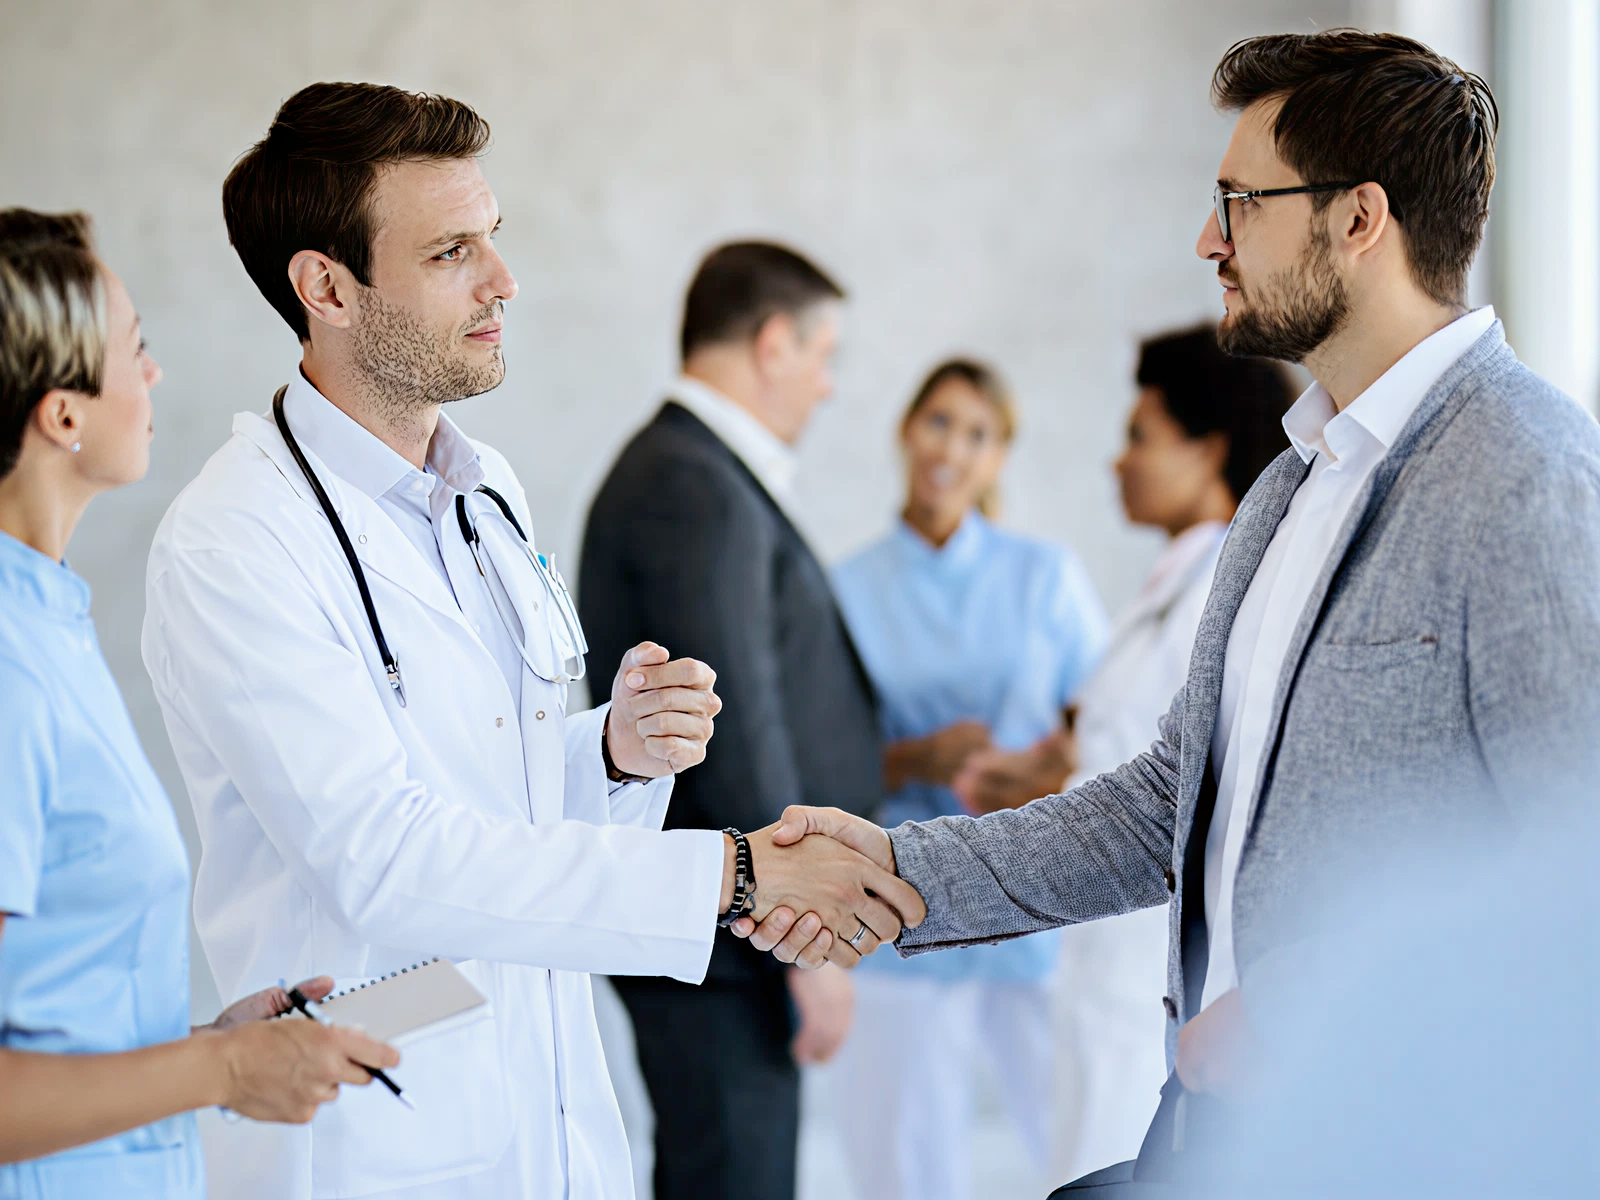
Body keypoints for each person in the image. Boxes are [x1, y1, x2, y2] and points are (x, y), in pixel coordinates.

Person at [743, 29, 1600, 1194]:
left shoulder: (1526, 472)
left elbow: (1572, 863)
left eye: (1240, 203)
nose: (1210, 240)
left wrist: (1295, 1005)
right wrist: (898, 869)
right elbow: (1170, 800)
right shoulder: (1288, 490)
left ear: (1359, 219)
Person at [139, 87, 922, 1200]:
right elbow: (385, 858)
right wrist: (729, 871)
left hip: (547, 1097)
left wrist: (607, 753)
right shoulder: (235, 542)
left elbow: (485, 782)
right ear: (327, 288)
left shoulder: (485, 488)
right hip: (374, 1125)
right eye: (453, 251)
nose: (504, 282)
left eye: (494, 240)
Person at [0, 208, 400, 1198]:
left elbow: (50, 1013)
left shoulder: (46, 621)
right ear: (62, 414)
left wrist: (212, 1045)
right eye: (138, 350)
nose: (155, 378)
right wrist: (219, 1070)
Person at [579, 241, 880, 1200]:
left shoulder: (699, 471)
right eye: (825, 355)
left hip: (730, 926)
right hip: (728, 937)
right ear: (774, 343)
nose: (830, 387)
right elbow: (728, 718)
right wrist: (797, 925)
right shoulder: (691, 482)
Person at [826, 358, 1109, 1200]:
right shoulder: (844, 590)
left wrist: (1036, 775)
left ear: (999, 458)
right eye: (938, 422)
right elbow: (818, 755)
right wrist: (916, 760)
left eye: (977, 434)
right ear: (904, 432)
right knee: (903, 1166)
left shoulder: (1044, 577)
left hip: (1032, 899)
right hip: (896, 902)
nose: (951, 448)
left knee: (1084, 1143)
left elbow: (1103, 720)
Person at [1043, 326, 1294, 1182]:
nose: (1119, 460)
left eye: (1140, 436)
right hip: (1100, 958)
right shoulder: (1172, 583)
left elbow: (1199, 787)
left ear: (1209, 447)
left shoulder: (1223, 592)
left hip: (1149, 967)